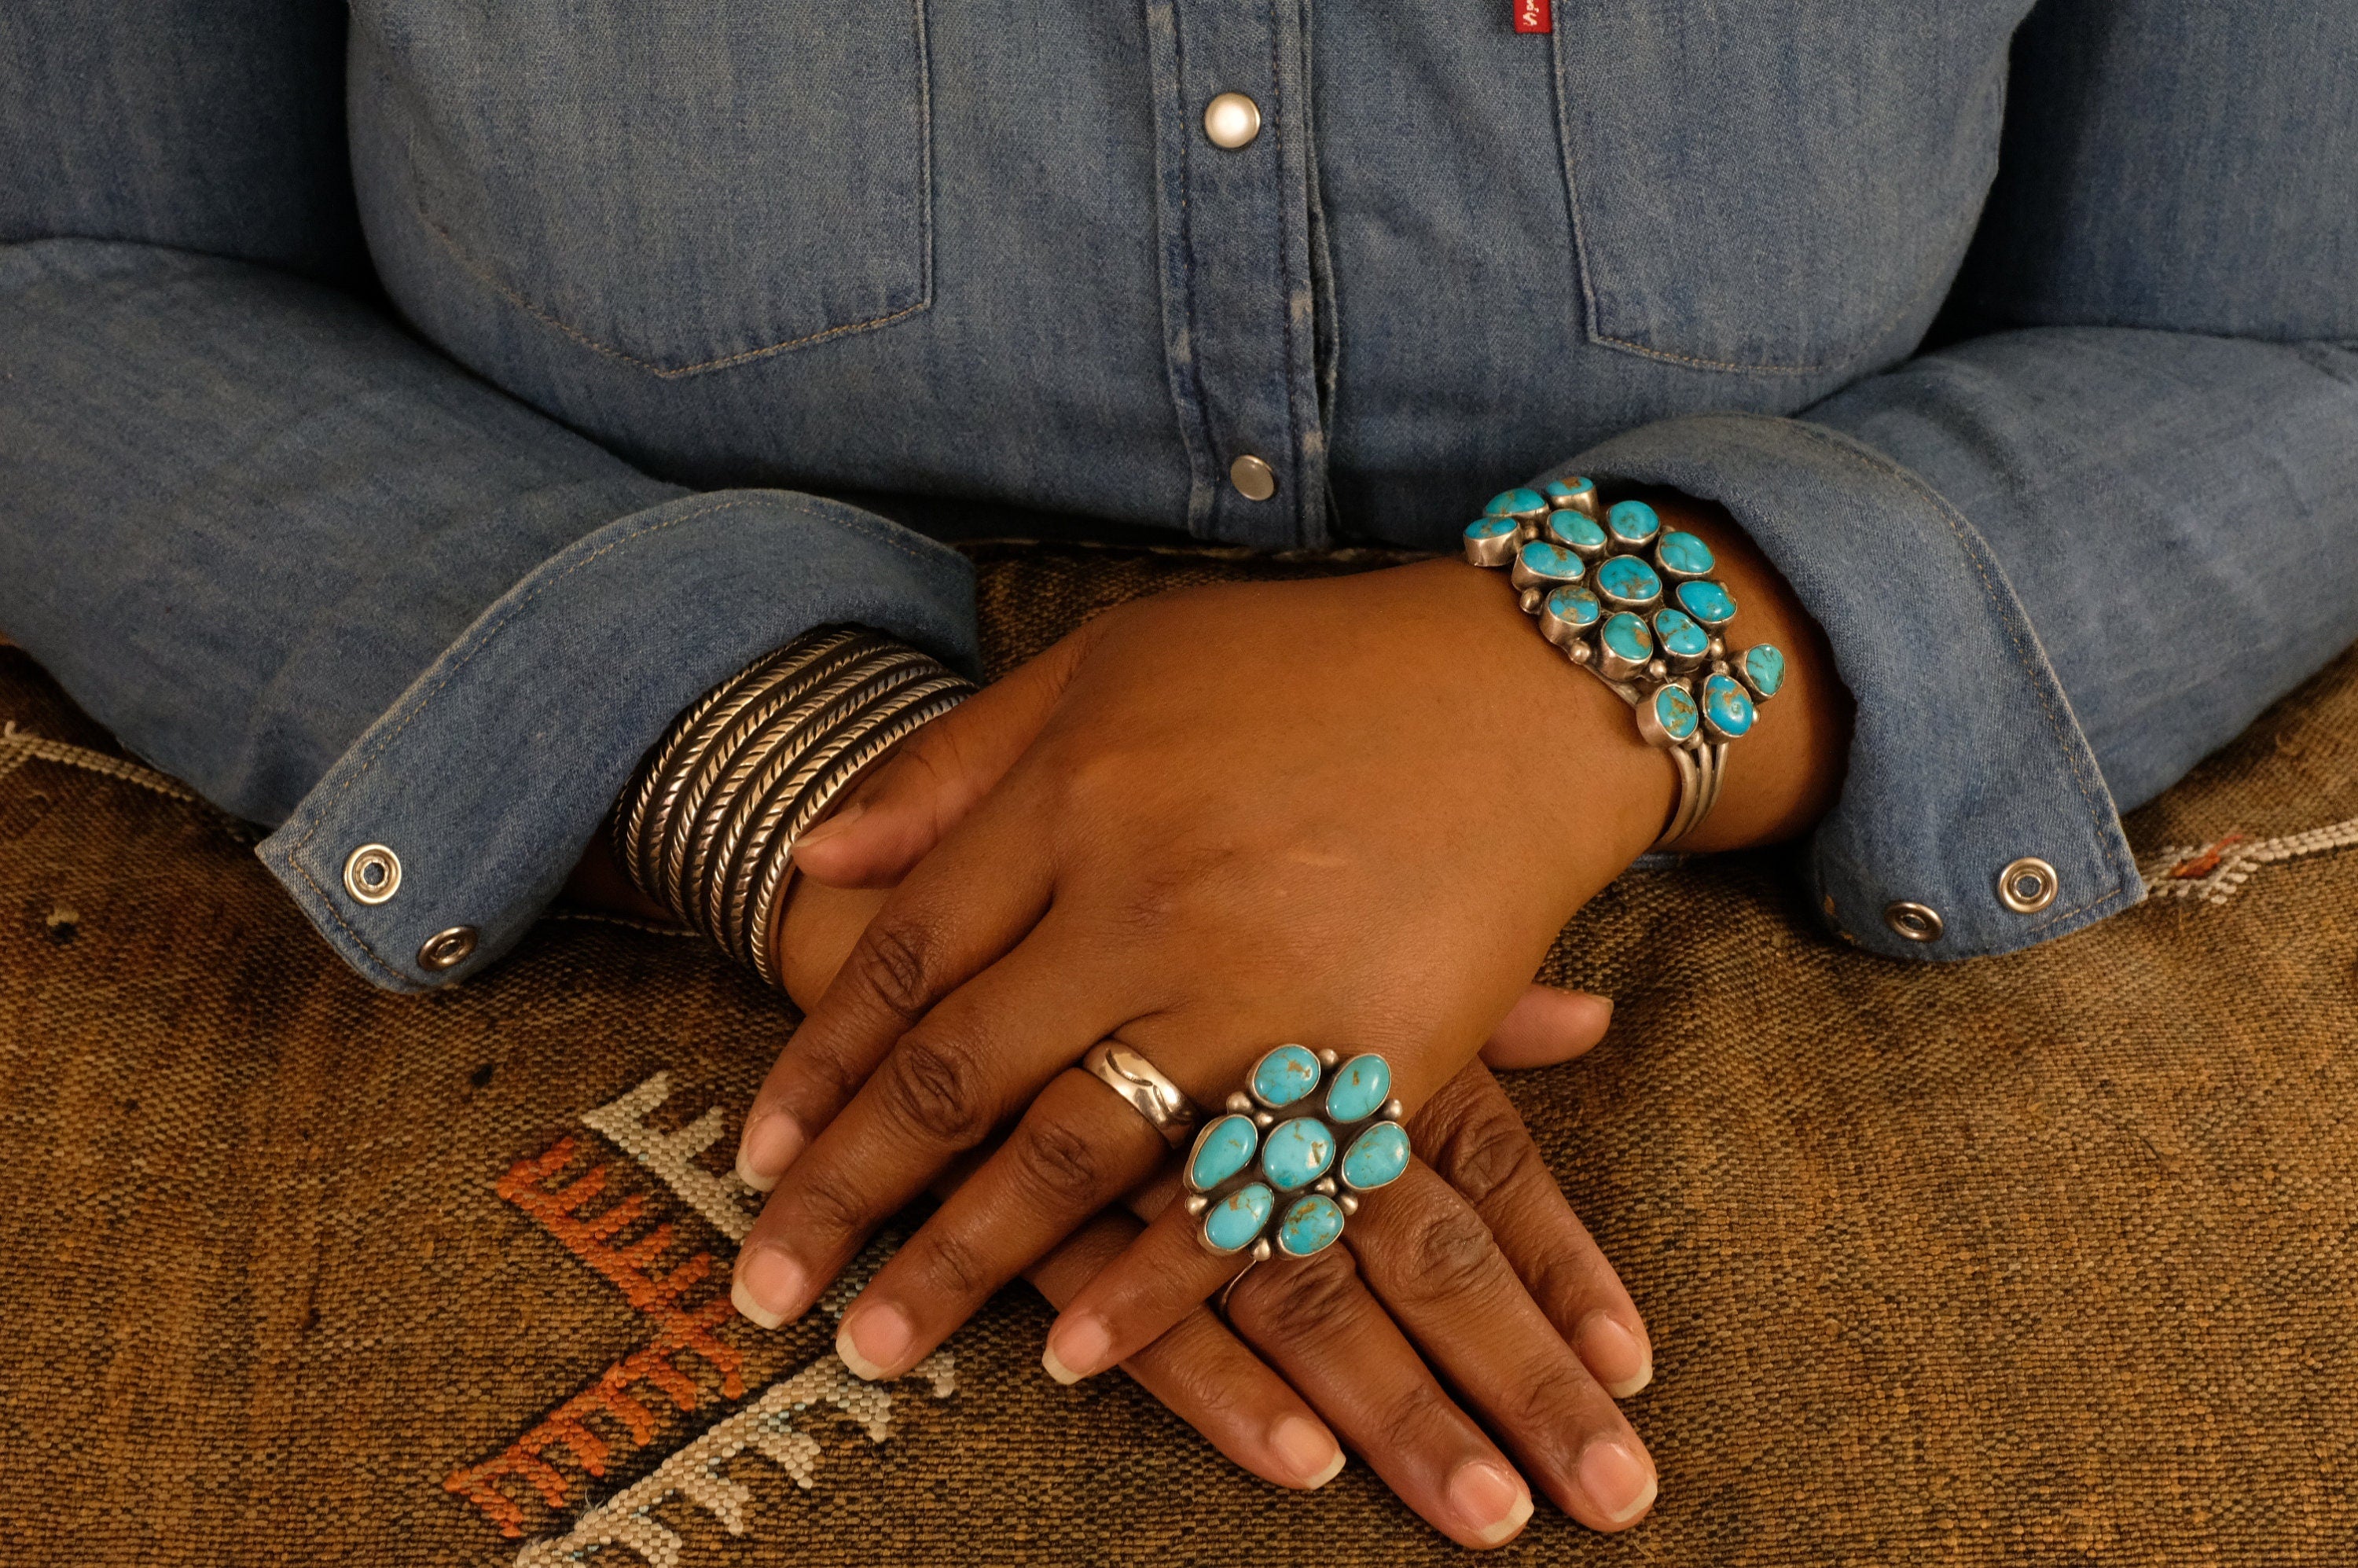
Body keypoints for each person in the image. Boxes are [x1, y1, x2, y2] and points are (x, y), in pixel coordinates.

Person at [5, 0, 2355, 1548]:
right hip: (529, 760)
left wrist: (1598, 672)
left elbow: (2276, 329)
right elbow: (69, 256)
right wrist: (808, 783)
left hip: (1838, 761)